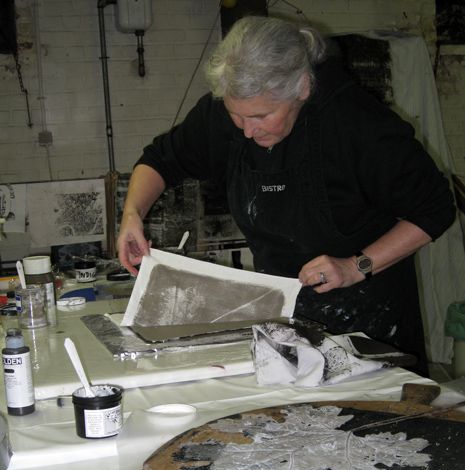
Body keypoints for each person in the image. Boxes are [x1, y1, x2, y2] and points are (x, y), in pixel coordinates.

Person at [117, 16, 456, 376]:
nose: (248, 131)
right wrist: (132, 215)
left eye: (263, 116)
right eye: (238, 116)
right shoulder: (223, 116)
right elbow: (159, 160)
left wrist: (355, 267)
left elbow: (435, 208)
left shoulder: (360, 126)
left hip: (369, 329)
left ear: (303, 88)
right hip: (282, 320)